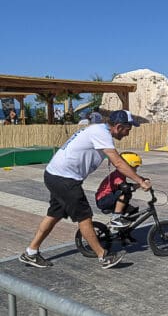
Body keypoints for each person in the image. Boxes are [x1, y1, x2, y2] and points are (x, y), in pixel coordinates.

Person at [19, 110, 152, 269]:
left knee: (54, 214)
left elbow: (117, 160)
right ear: (118, 126)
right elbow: (118, 163)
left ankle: (30, 252)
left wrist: (138, 179)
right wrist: (140, 181)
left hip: (55, 175)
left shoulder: (99, 131)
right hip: (65, 179)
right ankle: (103, 256)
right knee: (85, 216)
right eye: (127, 130)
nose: (127, 134)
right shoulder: (101, 133)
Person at [95, 152, 144, 229]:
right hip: (103, 200)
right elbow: (125, 187)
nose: (136, 169)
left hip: (111, 198)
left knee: (133, 212)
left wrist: (142, 182)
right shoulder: (118, 175)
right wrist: (140, 184)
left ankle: (122, 233)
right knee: (124, 192)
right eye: (135, 166)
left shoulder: (122, 174)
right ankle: (116, 218)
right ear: (127, 166)